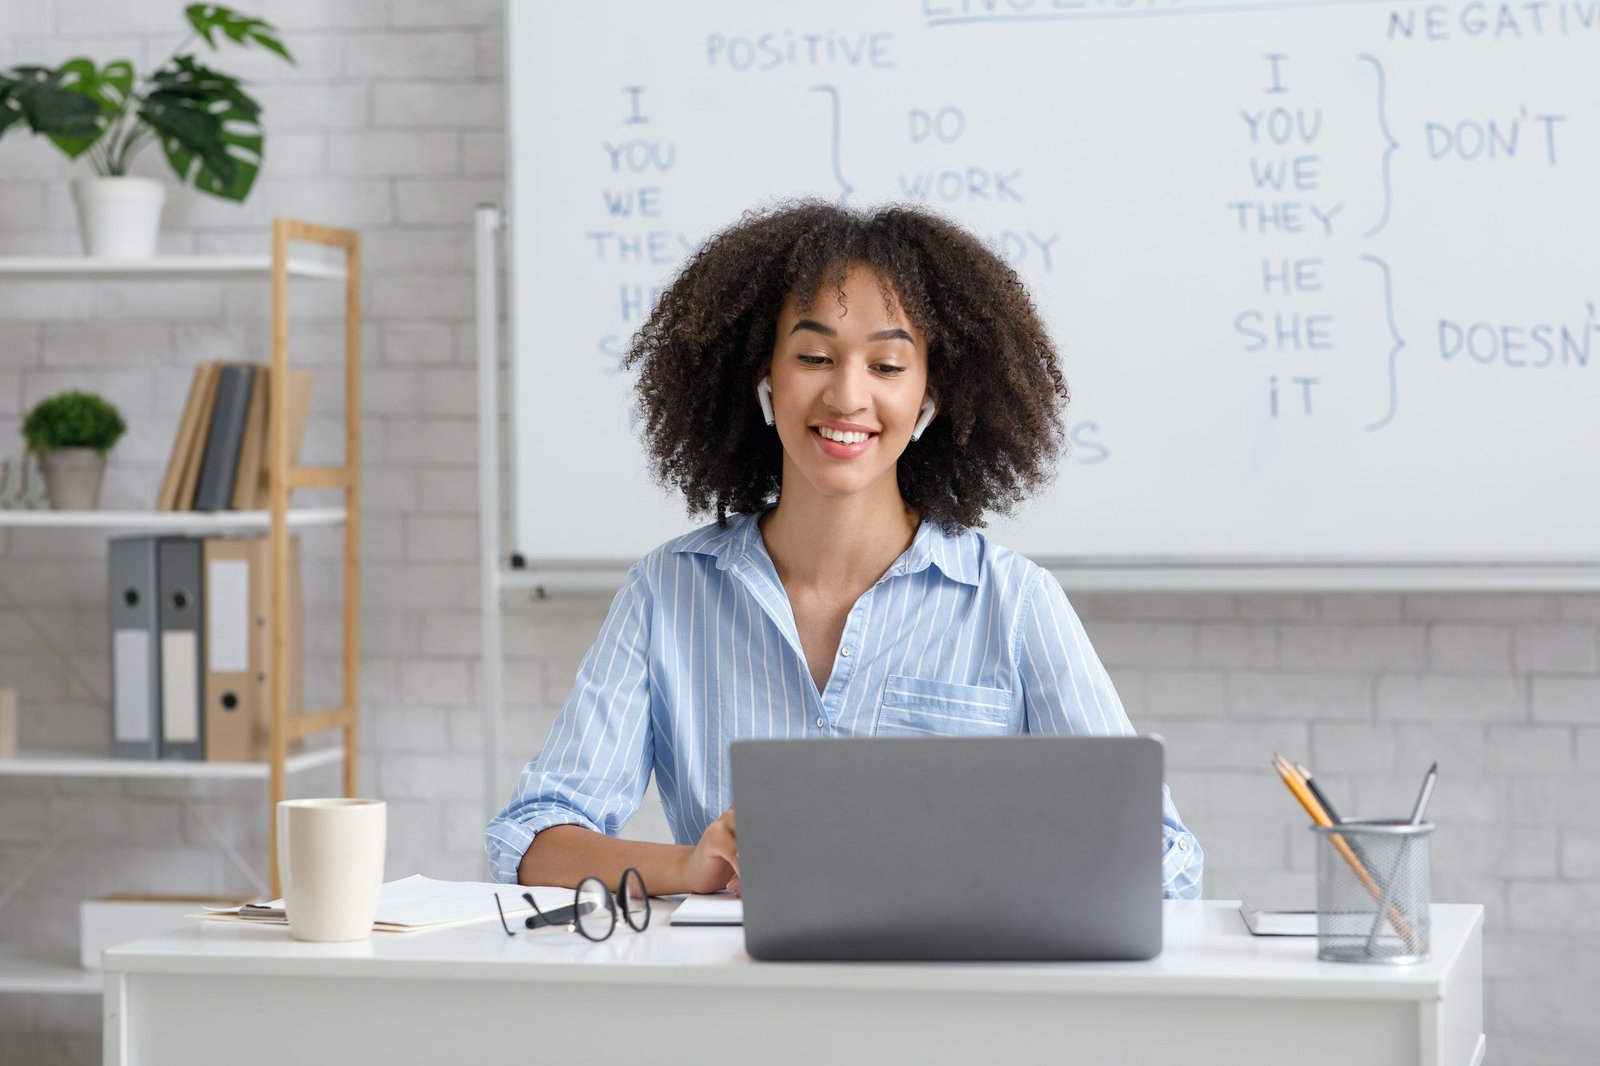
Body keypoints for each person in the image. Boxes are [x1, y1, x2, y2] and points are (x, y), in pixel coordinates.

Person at [485, 200, 1202, 898]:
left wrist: (982, 873)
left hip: (947, 1001)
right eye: (814, 355)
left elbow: (1164, 860)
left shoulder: (1012, 602)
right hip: (737, 1004)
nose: (847, 395)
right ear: (764, 375)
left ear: (932, 396)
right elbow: (529, 836)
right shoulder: (668, 591)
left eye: (887, 366)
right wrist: (688, 866)